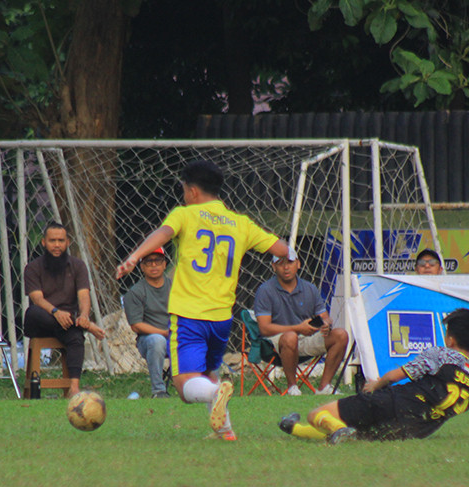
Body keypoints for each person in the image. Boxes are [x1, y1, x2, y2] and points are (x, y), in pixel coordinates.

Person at [116, 160, 290, 440]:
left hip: (189, 315)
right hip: (222, 317)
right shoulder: (241, 223)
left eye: (184, 188)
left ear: (192, 191)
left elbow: (163, 233)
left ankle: (214, 394)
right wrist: (290, 254)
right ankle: (225, 430)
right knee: (208, 372)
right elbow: (282, 249)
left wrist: (134, 257)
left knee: (185, 385)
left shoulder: (186, 214)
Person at [278, 308, 469, 444]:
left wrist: (376, 385)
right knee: (357, 436)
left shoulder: (441, 355)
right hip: (412, 430)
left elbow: (398, 374)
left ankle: (331, 429)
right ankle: (291, 427)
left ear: (450, 340)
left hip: (391, 404)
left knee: (316, 414)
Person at [24, 222, 106, 397]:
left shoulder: (78, 266)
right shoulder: (33, 268)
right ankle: (83, 326)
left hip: (69, 322)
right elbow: (37, 299)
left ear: (67, 242)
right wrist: (56, 313)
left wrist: (84, 315)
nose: (57, 245)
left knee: (76, 337)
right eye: (52, 240)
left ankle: (74, 387)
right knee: (34, 312)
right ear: (43, 242)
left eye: (61, 240)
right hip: (42, 319)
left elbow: (84, 296)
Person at [252, 249, 349, 396]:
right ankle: (292, 387)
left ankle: (324, 388)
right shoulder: (265, 290)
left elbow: (325, 317)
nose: (286, 267)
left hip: (306, 338)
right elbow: (265, 328)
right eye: (280, 263)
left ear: (298, 264)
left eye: (290, 262)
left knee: (341, 334)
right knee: (291, 336)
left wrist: (325, 325)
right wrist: (298, 328)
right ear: (273, 266)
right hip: (276, 341)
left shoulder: (310, 288)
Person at [123, 247, 172, 398]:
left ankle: (195, 387)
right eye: (148, 262)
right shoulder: (136, 292)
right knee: (157, 340)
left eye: (157, 261)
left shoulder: (175, 287)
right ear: (142, 267)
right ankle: (159, 390)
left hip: (175, 334)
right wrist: (163, 333)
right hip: (148, 339)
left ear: (164, 264)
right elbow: (136, 325)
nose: (153, 265)